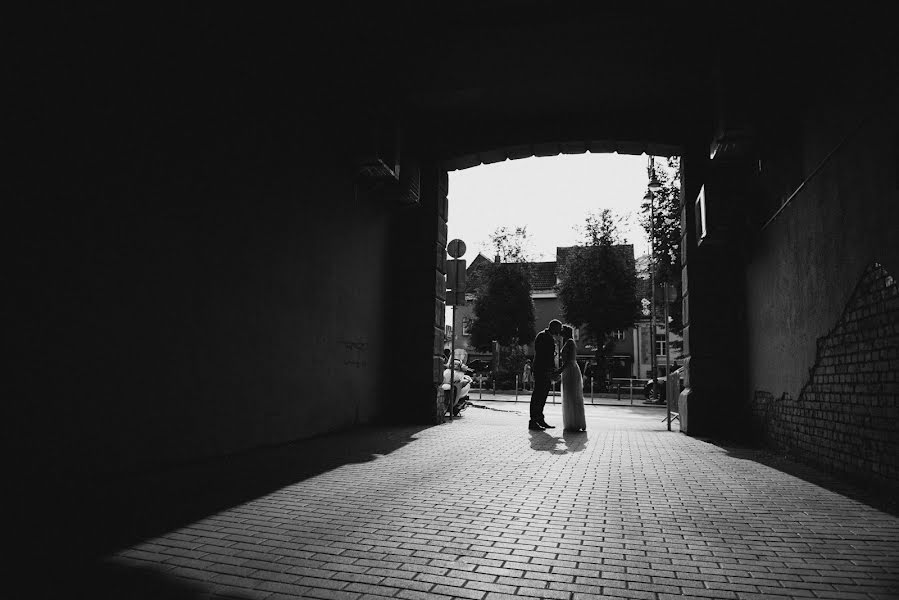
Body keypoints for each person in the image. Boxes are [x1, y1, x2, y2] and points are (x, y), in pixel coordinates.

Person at [529, 319, 563, 430]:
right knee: (538, 394)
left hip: (544, 369)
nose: (560, 331)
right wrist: (551, 369)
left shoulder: (547, 336)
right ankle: (533, 420)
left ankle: (539, 419)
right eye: (559, 328)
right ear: (553, 327)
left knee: (542, 395)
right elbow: (544, 355)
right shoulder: (543, 336)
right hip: (541, 370)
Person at [559, 325, 587, 431]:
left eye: (562, 331)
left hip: (570, 369)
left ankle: (573, 423)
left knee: (571, 395)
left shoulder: (569, 342)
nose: (560, 332)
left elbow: (568, 360)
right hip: (570, 368)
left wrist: (559, 370)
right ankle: (576, 422)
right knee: (572, 396)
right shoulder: (569, 342)